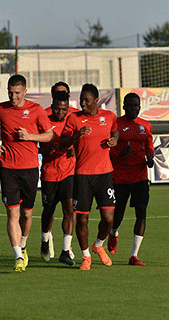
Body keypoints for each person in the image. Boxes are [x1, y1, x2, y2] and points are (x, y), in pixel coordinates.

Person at [0, 74, 53, 272]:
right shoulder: (0, 109)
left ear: (25, 91)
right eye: (10, 92)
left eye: (17, 93)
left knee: (27, 213)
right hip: (8, 168)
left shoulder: (36, 110)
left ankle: (23, 245)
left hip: (30, 168)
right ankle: (17, 255)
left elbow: (49, 135)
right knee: (12, 213)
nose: (13, 97)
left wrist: (30, 136)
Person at [60, 83, 119, 271]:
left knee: (109, 219)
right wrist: (76, 136)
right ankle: (86, 256)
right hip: (83, 176)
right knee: (82, 219)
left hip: (104, 175)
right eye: (81, 100)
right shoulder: (74, 119)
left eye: (86, 100)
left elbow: (115, 130)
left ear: (96, 100)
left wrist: (115, 139)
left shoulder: (108, 117)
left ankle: (98, 244)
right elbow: (62, 141)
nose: (83, 104)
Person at [108, 93, 154, 266]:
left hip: (140, 177)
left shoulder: (146, 125)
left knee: (141, 214)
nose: (133, 108)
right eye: (130, 105)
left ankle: (134, 255)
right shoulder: (116, 124)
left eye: (136, 105)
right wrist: (119, 153)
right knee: (117, 215)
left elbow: (149, 145)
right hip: (119, 177)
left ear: (140, 107)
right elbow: (107, 149)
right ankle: (113, 233)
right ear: (124, 107)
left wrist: (150, 157)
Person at [39, 89, 77, 266]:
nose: (60, 113)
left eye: (63, 109)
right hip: (49, 173)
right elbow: (37, 144)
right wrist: (46, 150)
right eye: (57, 109)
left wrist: (75, 149)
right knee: (49, 211)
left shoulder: (73, 120)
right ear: (52, 106)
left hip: (68, 172)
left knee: (69, 209)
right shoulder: (44, 120)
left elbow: (81, 141)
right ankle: (45, 239)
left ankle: (65, 250)